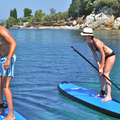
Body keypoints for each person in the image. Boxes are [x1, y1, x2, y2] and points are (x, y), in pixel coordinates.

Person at [81, 27, 115, 101]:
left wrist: (101, 67)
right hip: (104, 57)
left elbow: (103, 54)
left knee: (106, 74)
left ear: (90, 36)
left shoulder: (97, 42)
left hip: (110, 56)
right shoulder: (89, 43)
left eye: (85, 36)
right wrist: (99, 65)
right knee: (100, 74)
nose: (83, 37)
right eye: (83, 36)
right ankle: (102, 92)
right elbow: (95, 54)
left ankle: (109, 96)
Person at [0, 26, 17, 120]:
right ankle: (1, 109)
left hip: (7, 59)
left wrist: (8, 60)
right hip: (0, 59)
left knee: (5, 86)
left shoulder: (1, 30)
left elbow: (14, 43)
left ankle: (11, 115)